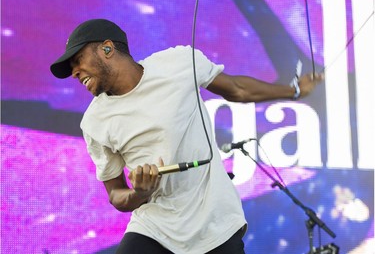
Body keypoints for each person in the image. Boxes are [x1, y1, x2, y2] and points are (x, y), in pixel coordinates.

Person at [50, 19, 323, 254]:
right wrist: (140, 194)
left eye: (78, 61)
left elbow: (238, 89)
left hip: (215, 223)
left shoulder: (178, 63)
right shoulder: (94, 123)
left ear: (107, 49)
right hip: (156, 228)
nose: (74, 73)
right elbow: (116, 196)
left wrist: (294, 92)